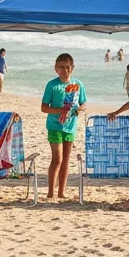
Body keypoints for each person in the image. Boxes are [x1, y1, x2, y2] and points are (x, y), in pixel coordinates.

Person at [41, 53, 86, 201]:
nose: (64, 70)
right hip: (54, 125)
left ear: (72, 68)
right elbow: (44, 107)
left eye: (67, 67)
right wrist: (60, 110)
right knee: (57, 158)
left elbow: (83, 103)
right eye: (61, 67)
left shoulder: (77, 85)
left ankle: (61, 191)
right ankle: (50, 192)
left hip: (70, 126)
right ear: (56, 69)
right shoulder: (52, 85)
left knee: (66, 159)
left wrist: (79, 109)